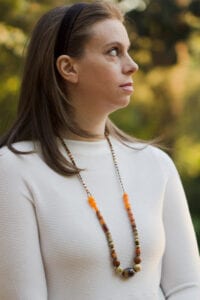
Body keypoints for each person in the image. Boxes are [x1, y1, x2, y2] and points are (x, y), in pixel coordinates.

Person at [0, 1, 199, 299]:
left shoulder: (156, 164)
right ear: (68, 67)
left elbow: (187, 286)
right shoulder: (14, 168)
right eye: (113, 51)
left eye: (128, 50)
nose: (132, 64)